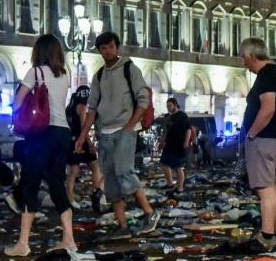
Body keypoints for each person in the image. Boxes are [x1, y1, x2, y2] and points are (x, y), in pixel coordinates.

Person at [7, 35, 85, 258]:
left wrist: (18, 116)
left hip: (41, 132)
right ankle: (69, 239)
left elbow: (18, 100)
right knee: (56, 184)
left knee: (30, 183)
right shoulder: (64, 75)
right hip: (62, 132)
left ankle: (23, 243)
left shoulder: (35, 72)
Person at [81, 32, 158, 239]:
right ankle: (122, 225)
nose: (107, 51)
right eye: (103, 48)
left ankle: (149, 212)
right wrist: (83, 136)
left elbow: (143, 99)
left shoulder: (129, 69)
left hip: (125, 129)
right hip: (104, 132)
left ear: (117, 47)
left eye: (110, 47)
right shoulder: (99, 75)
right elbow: (92, 108)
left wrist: (130, 125)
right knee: (112, 181)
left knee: (124, 171)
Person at [240, 38, 276, 249]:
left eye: (244, 57)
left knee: (265, 190)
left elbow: (268, 108)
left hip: (265, 139)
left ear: (253, 55)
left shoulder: (266, 76)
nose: (243, 63)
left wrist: (251, 133)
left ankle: (267, 236)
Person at [65, 85, 103, 212]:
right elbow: (83, 126)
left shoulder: (70, 107)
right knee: (95, 166)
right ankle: (96, 193)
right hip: (81, 140)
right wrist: (90, 143)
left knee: (73, 171)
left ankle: (69, 200)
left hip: (72, 140)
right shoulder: (81, 107)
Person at [160, 97, 191, 193]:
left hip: (178, 145)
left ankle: (180, 188)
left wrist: (186, 141)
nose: (168, 108)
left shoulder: (182, 116)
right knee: (163, 163)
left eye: (170, 106)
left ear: (175, 105)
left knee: (178, 167)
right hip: (168, 144)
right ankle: (170, 184)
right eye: (167, 106)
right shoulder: (169, 117)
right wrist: (162, 142)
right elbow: (166, 132)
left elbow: (188, 129)